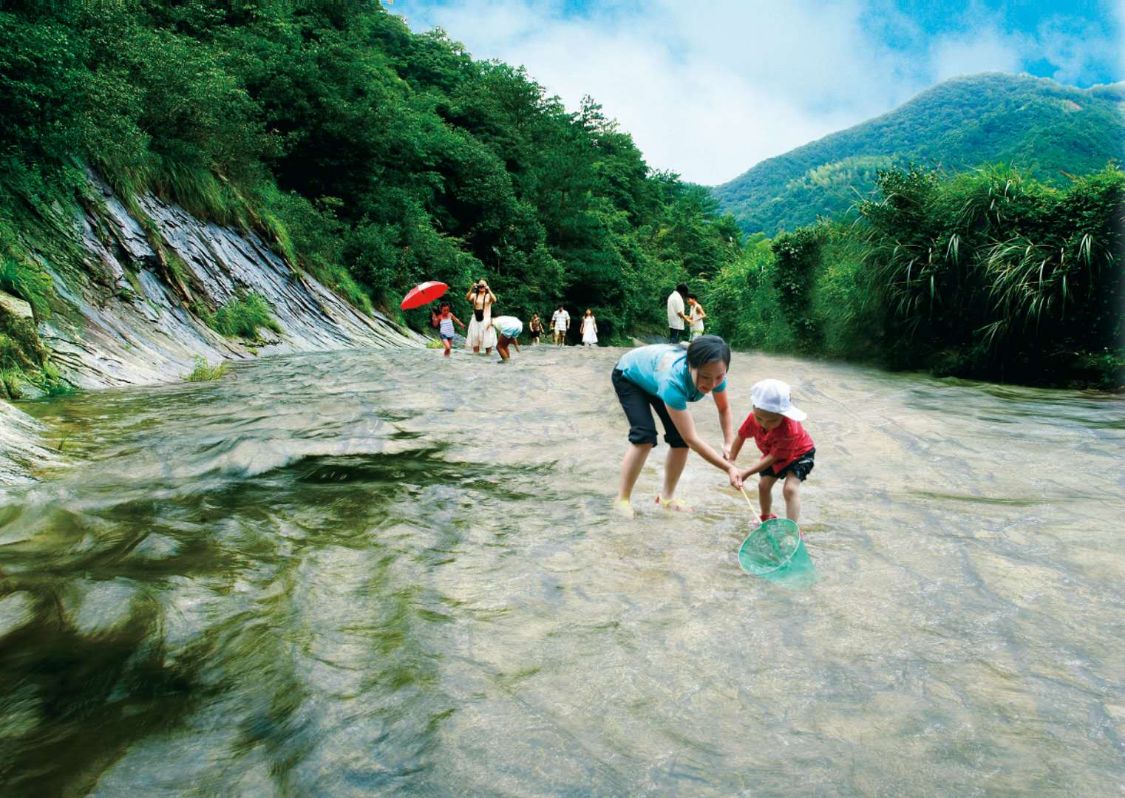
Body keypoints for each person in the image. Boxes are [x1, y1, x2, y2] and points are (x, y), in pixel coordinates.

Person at [611, 335, 742, 518]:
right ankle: (622, 499)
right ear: (690, 366)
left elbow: (724, 408)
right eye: (705, 377)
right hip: (629, 375)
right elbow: (692, 439)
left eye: (719, 377)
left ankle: (666, 498)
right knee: (644, 436)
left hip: (654, 377)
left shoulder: (716, 373)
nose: (712, 384)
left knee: (679, 441)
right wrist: (728, 468)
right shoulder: (673, 381)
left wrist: (728, 443)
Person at [727, 379, 815, 523]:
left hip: (800, 454)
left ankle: (792, 527)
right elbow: (741, 436)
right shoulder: (753, 418)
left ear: (784, 415)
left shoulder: (789, 430)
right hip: (774, 455)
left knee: (790, 489)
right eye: (760, 418)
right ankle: (766, 517)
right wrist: (731, 460)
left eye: (772, 421)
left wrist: (746, 472)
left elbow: (774, 457)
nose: (765, 424)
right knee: (763, 486)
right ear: (754, 409)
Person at [465, 279, 497, 354]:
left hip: (486, 320)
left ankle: (488, 357)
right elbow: (467, 298)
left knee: (488, 341)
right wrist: (471, 288)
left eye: (483, 285)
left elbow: (494, 300)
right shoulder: (474, 295)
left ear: (486, 286)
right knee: (475, 340)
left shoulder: (488, 295)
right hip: (475, 320)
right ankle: (476, 358)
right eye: (480, 285)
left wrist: (489, 290)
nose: (481, 286)